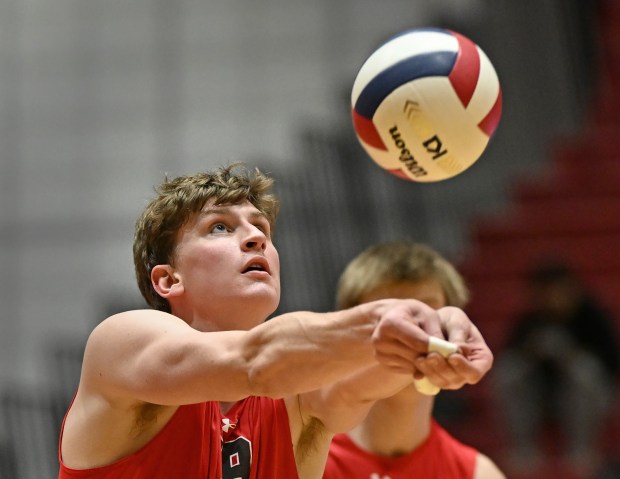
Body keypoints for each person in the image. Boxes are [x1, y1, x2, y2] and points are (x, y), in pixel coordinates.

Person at [57, 164, 494, 479]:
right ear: (168, 279)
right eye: (219, 228)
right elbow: (257, 362)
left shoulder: (301, 399)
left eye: (261, 228)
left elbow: (365, 376)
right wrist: (389, 316)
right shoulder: (121, 344)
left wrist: (437, 335)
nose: (256, 237)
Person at [322, 240, 505, 479]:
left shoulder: (478, 474)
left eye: (427, 317)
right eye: (388, 320)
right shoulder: (303, 457)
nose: (412, 337)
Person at [493, 257, 620, 477]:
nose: (553, 298)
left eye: (558, 290)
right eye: (546, 291)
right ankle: (523, 448)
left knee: (586, 372)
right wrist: (533, 352)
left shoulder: (593, 317)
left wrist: (569, 355)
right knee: (509, 372)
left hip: (589, 401)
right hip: (541, 398)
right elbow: (508, 359)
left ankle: (582, 448)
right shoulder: (531, 320)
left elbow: (610, 369)